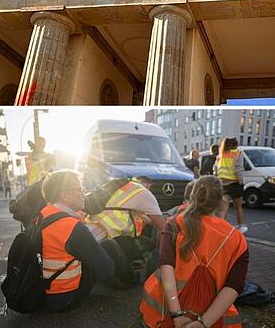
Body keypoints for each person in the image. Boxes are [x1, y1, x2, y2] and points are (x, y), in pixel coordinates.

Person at [140, 176, 249, 328]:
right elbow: (234, 286)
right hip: (212, 315)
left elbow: (166, 268)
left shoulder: (173, 224)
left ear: (192, 196)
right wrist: (202, 324)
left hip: (163, 311)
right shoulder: (237, 240)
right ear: (220, 201)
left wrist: (177, 314)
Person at [38, 170, 115, 312]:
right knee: (108, 246)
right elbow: (106, 270)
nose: (84, 193)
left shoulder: (43, 215)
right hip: (63, 297)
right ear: (65, 195)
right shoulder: (70, 226)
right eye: (79, 189)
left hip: (41, 292)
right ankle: (134, 279)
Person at [85, 178, 167, 286]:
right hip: (105, 245)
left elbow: (149, 221)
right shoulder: (144, 193)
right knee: (151, 248)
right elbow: (164, 228)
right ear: (148, 186)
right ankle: (132, 278)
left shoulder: (122, 190)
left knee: (139, 242)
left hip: (93, 239)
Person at [214, 137, 247, 233]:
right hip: (235, 183)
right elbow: (238, 167)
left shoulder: (220, 154)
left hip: (222, 183)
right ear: (235, 145)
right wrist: (241, 181)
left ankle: (221, 228)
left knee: (223, 209)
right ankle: (241, 227)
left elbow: (215, 168)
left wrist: (217, 178)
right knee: (238, 208)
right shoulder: (238, 153)